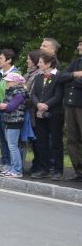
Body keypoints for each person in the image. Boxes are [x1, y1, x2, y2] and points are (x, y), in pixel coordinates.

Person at [30, 51, 64, 180]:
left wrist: (46, 105)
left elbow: (58, 95)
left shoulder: (58, 76)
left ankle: (58, 170)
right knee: (41, 141)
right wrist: (38, 104)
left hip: (55, 113)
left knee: (56, 142)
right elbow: (33, 93)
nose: (38, 64)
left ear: (49, 63)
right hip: (40, 113)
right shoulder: (39, 76)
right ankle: (44, 169)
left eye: (40, 62)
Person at [60, 36, 82, 181]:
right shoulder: (76, 62)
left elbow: (67, 81)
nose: (79, 47)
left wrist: (71, 81)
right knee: (72, 139)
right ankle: (79, 171)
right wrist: (75, 75)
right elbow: (61, 77)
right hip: (70, 105)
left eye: (81, 44)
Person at [0, 73, 27, 178]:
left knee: (13, 146)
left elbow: (11, 107)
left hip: (15, 121)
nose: (6, 83)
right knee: (11, 146)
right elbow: (0, 106)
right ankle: (13, 168)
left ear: (15, 82)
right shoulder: (10, 92)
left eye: (9, 81)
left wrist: (4, 106)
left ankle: (17, 170)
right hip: (8, 120)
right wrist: (2, 106)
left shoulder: (19, 93)